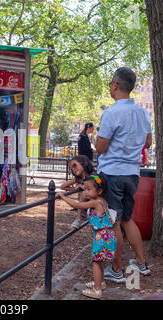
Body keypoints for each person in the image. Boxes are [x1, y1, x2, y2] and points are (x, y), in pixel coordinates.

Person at [95, 67, 152, 284]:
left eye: (110, 83)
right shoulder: (142, 112)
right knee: (127, 219)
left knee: (113, 223)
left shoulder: (111, 113)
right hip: (133, 174)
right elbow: (148, 142)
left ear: (115, 85)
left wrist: (97, 143)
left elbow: (100, 147)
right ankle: (140, 262)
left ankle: (116, 270)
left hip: (112, 174)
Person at [59, 174, 117, 299]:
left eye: (89, 189)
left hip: (102, 237)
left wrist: (63, 197)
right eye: (85, 189)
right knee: (99, 260)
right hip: (107, 235)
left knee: (96, 262)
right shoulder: (102, 201)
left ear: (100, 191)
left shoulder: (95, 203)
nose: (85, 192)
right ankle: (100, 283)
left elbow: (78, 205)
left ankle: (97, 290)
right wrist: (82, 187)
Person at [60, 155, 94, 228]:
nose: (73, 169)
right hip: (85, 205)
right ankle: (79, 217)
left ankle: (79, 218)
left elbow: (98, 188)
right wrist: (76, 189)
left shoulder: (94, 177)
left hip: (95, 203)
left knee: (84, 193)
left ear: (84, 163)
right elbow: (63, 187)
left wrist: (84, 188)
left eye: (75, 165)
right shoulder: (78, 179)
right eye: (71, 168)